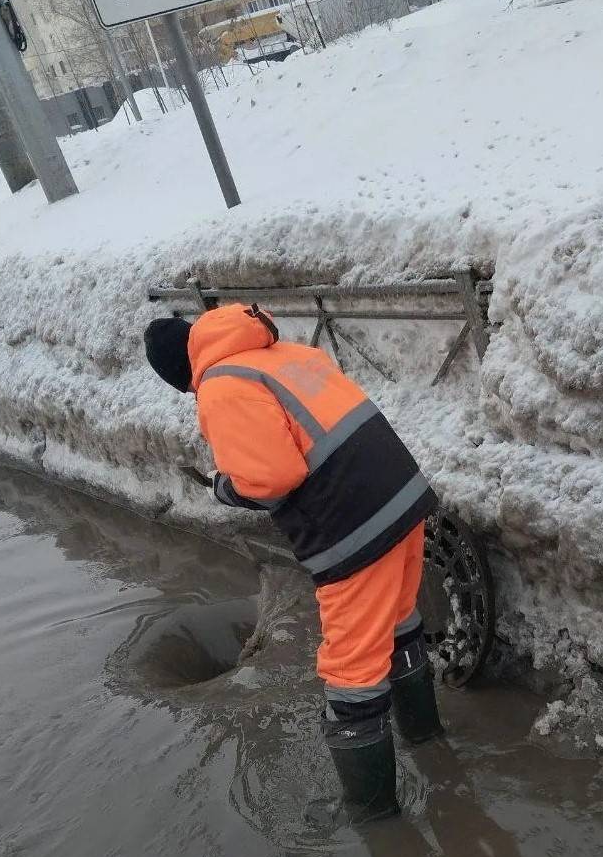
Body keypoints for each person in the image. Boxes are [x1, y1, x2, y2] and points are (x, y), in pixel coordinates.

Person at [144, 303, 443, 819]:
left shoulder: (221, 385)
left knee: (351, 671)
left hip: (353, 527)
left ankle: (376, 821)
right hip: (401, 497)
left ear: (181, 373)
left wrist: (225, 488)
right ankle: (430, 742)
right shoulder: (279, 354)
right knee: (397, 622)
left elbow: (272, 478)